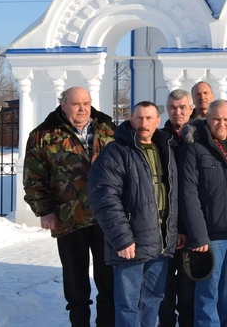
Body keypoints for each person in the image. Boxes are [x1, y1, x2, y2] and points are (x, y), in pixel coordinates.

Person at [22, 86, 116, 327]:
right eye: (76, 104)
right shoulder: (43, 135)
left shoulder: (108, 130)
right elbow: (34, 178)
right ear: (63, 105)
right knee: (76, 282)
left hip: (106, 218)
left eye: (86, 102)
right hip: (68, 219)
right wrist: (45, 210)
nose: (83, 108)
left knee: (109, 280)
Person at [89, 101, 179, 327]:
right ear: (130, 119)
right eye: (139, 118)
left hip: (161, 241)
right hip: (132, 242)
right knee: (128, 304)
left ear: (158, 121)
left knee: (154, 298)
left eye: (149, 118)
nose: (144, 123)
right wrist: (122, 238)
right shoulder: (116, 152)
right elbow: (104, 197)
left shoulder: (166, 148)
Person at [179, 99, 227, 327]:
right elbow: (188, 195)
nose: (222, 123)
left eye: (226, 119)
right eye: (217, 119)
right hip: (211, 234)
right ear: (207, 119)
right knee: (208, 289)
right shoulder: (194, 148)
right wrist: (199, 235)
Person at [159, 89, 196, 327]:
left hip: (192, 222)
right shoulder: (158, 139)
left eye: (182, 107)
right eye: (173, 107)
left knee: (189, 280)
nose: (178, 112)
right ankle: (166, 323)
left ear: (191, 109)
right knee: (163, 281)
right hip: (163, 223)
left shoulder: (200, 138)